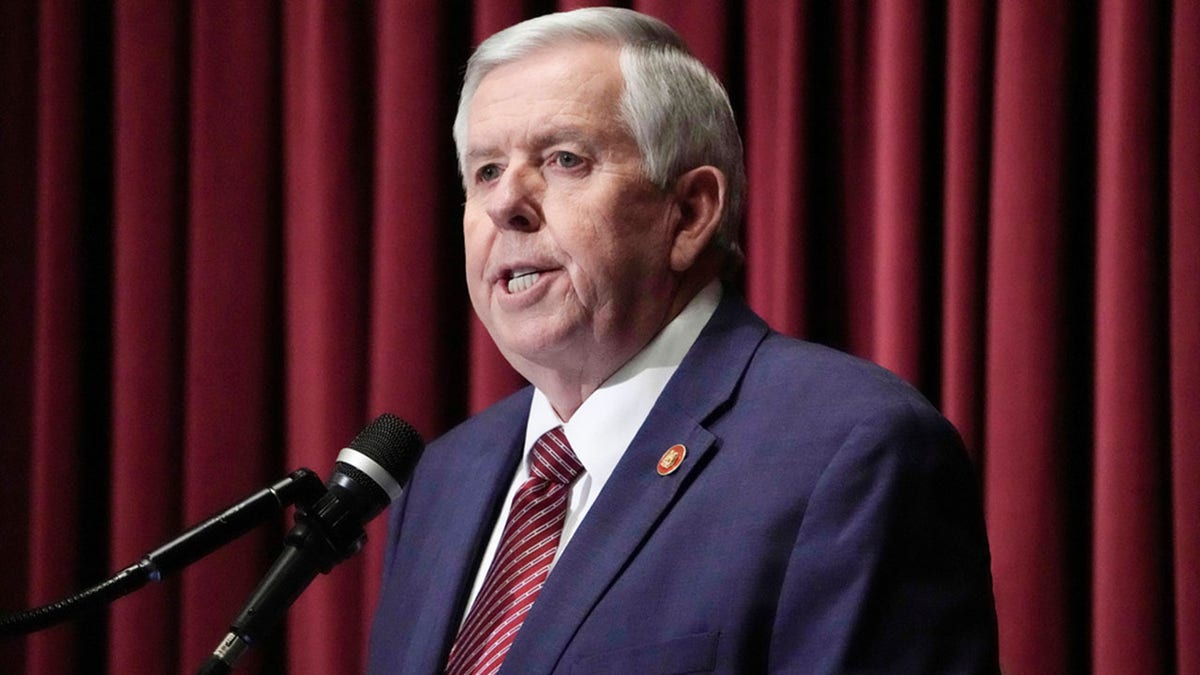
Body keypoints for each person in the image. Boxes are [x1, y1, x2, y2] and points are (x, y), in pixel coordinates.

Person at [367, 7, 998, 674]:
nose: (505, 203)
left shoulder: (852, 450)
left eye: (564, 159)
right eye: (487, 171)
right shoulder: (441, 479)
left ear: (690, 213)